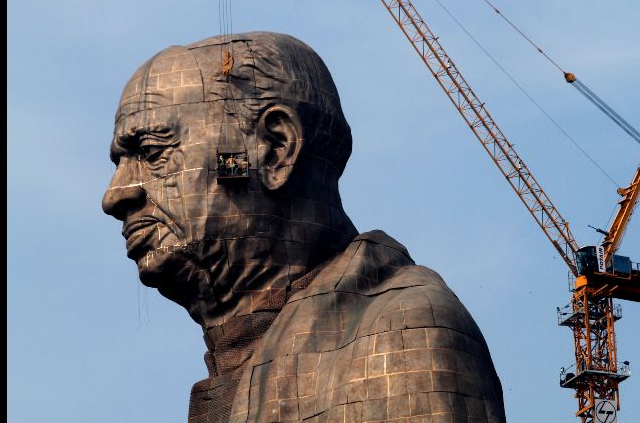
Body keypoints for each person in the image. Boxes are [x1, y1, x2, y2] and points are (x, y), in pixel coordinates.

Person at [102, 32, 507, 423]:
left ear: (276, 148)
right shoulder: (241, 357)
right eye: (119, 164)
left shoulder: (403, 332)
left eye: (152, 152)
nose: (115, 195)